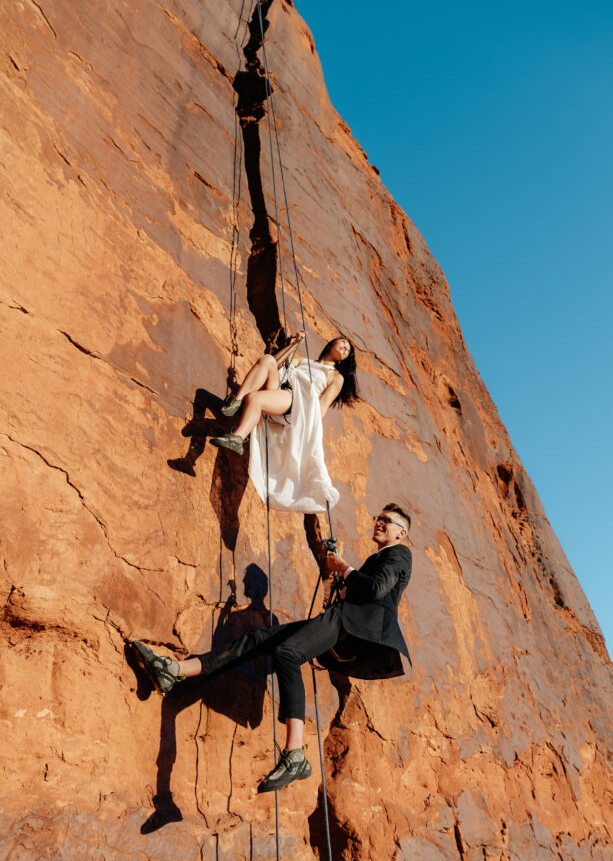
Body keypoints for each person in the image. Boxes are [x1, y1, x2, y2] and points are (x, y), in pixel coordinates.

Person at [131, 503, 412, 794]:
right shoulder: (378, 557)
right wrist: (340, 581)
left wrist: (343, 566)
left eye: (387, 521)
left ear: (401, 532)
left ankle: (295, 754)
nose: (379, 523)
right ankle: (174, 670)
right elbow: (360, 591)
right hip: (343, 622)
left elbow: (375, 589)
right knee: (260, 639)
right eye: (378, 518)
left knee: (287, 653)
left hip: (350, 627)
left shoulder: (400, 553)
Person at [210, 335, 358, 514]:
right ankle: (236, 402)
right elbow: (277, 363)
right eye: (343, 342)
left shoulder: (336, 377)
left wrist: (306, 431)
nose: (345, 347)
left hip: (295, 404)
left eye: (348, 349)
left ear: (345, 359)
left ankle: (238, 438)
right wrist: (294, 344)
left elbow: (322, 406)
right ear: (332, 343)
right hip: (281, 390)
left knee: (255, 399)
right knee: (267, 360)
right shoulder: (305, 360)